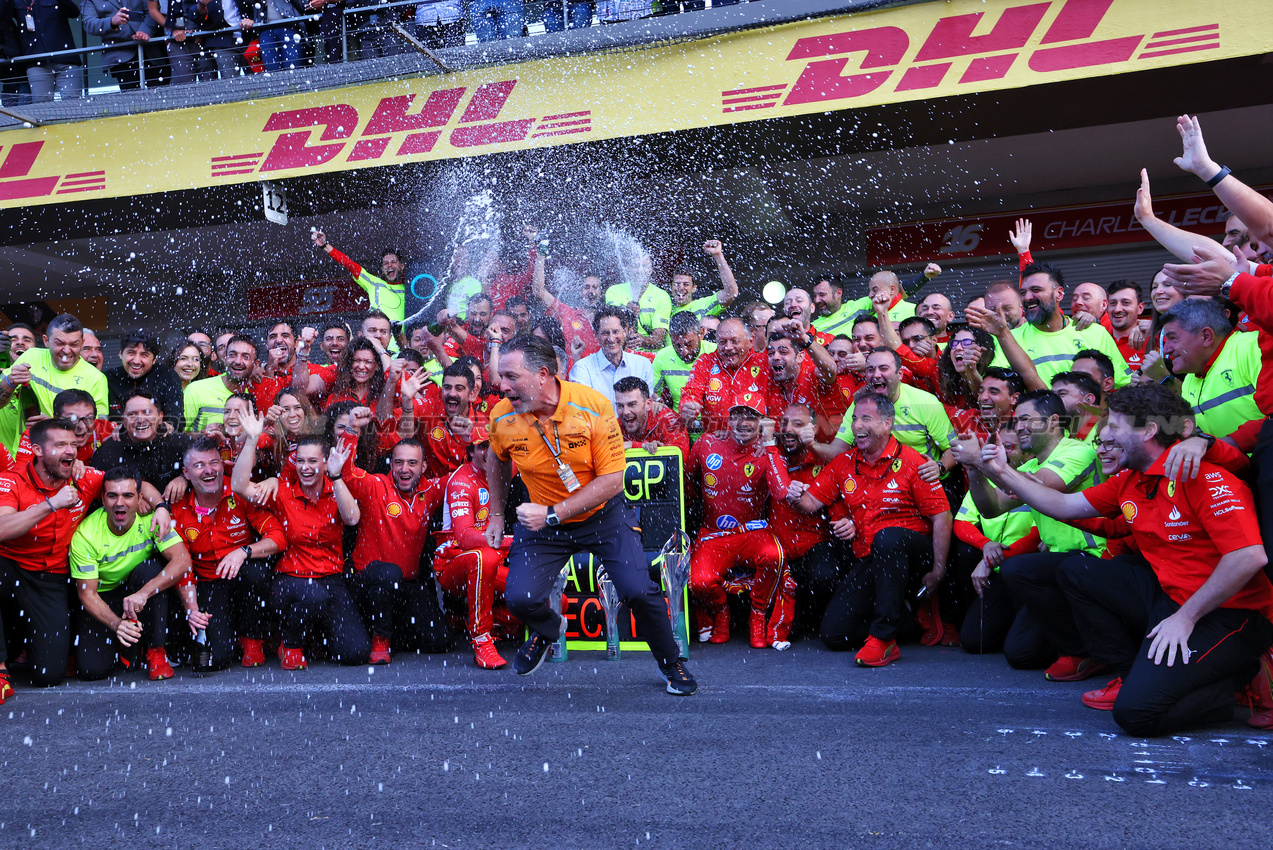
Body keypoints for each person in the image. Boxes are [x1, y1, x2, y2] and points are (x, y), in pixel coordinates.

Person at [982, 384, 1273, 735]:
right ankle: (1130, 671)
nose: (1109, 437)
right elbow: (1061, 504)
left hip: (1230, 613)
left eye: (1117, 427)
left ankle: (1243, 677)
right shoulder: (1129, 481)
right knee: (1079, 570)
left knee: (1136, 715)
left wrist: (1185, 618)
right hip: (1173, 600)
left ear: (1148, 431)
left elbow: (1248, 557)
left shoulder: (1202, 475)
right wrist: (1001, 470)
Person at [484, 334, 696, 694]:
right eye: (501, 377)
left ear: (543, 375)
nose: (501, 386)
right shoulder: (503, 414)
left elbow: (613, 481)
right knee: (520, 598)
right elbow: (497, 459)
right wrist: (496, 513)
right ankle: (547, 628)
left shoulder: (594, 406)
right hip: (544, 524)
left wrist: (552, 513)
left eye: (511, 377)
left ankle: (670, 662)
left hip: (602, 516)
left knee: (638, 592)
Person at [0, 419, 171, 695]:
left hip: (52, 578)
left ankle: (26, 648)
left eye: (73, 445)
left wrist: (161, 506)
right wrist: (50, 504)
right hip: (10, 567)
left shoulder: (83, 477)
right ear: (37, 450)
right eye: (59, 445)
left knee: (48, 675)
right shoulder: (12, 479)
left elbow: (130, 484)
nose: (70, 451)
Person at [792, 392, 952, 666]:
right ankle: (909, 615)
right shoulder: (844, 462)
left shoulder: (914, 462)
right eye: (854, 419)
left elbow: (942, 518)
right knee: (834, 635)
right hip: (869, 555)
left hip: (913, 556)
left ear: (887, 423)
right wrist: (793, 492)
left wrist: (937, 571)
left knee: (888, 538)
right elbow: (809, 504)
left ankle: (884, 639)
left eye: (866, 418)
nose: (857, 426)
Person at [957, 390, 1105, 678]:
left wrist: (994, 467)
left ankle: (1086, 652)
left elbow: (1044, 485)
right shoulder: (1029, 466)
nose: (1019, 426)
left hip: (1095, 559)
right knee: (1021, 655)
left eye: (1026, 419)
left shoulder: (1078, 451)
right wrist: (974, 469)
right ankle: (1083, 634)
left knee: (1017, 569)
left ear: (1052, 421)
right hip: (1057, 566)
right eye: (1017, 419)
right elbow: (991, 508)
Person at [232, 419, 370, 670]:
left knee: (355, 652)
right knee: (312, 595)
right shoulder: (282, 491)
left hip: (331, 579)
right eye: (301, 461)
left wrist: (337, 476)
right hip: (290, 580)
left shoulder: (336, 488)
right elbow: (239, 486)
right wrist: (252, 439)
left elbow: (352, 519)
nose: (306, 468)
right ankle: (291, 643)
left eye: (313, 461)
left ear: (325, 462)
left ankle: (316, 638)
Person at [685, 391, 791, 649]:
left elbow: (781, 492)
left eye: (751, 417)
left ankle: (757, 615)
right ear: (728, 420)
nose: (743, 423)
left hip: (752, 532)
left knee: (773, 555)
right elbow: (687, 485)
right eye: (737, 416)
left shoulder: (768, 451)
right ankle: (721, 613)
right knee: (698, 581)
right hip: (714, 533)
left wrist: (769, 445)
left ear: (763, 422)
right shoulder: (707, 443)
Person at [335, 434, 452, 664]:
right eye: (398, 462)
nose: (404, 469)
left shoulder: (431, 491)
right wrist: (351, 431)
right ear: (391, 464)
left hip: (406, 585)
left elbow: (464, 476)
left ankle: (390, 632)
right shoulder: (376, 485)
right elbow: (347, 473)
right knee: (389, 574)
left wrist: (476, 440)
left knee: (440, 641)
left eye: (412, 463)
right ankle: (380, 639)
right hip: (368, 583)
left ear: (423, 467)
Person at [170, 438, 283, 670]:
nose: (209, 470)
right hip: (207, 584)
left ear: (222, 465)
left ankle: (252, 638)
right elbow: (182, 567)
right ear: (186, 473)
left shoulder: (240, 491)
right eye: (199, 465)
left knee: (256, 572)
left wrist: (243, 551)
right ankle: (224, 639)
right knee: (215, 659)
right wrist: (192, 610)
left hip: (242, 576)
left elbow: (278, 537)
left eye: (214, 462)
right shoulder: (177, 508)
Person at [71, 467, 193, 681]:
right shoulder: (86, 534)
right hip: (104, 596)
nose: (120, 503)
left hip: (139, 588)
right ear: (102, 498)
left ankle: (156, 650)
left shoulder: (152, 519)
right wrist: (118, 624)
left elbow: (182, 561)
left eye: (128, 495)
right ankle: (126, 643)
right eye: (112, 496)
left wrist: (143, 593)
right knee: (92, 670)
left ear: (140, 498)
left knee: (152, 569)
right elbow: (86, 595)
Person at [973, 263, 1131, 389]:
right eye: (1023, 293)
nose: (1028, 297)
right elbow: (998, 391)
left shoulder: (1095, 333)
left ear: (1059, 294)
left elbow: (1122, 384)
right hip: (1040, 428)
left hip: (1092, 428)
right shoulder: (1009, 339)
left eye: (1036, 290)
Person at [436, 427, 514, 669]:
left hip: (492, 560)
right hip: (454, 564)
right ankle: (481, 640)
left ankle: (466, 621)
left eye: (494, 444)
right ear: (470, 451)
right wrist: (515, 541)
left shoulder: (506, 467)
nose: (489, 451)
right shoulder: (461, 481)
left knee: (554, 603)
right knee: (485, 557)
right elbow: (466, 537)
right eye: (482, 446)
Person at [770, 402, 847, 641]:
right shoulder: (771, 458)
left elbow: (838, 501)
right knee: (786, 634)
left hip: (815, 548)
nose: (788, 429)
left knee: (825, 576)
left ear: (813, 429)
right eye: (784, 423)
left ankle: (817, 610)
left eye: (798, 424)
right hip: (780, 552)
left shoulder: (823, 460)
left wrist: (845, 520)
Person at [1160, 298, 1262, 442]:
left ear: (1206, 336)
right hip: (1234, 462)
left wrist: (1231, 444)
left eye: (1173, 338)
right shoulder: (1190, 377)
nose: (1166, 349)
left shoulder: (1253, 349)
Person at [0, 313, 108, 418]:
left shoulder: (96, 378)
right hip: (26, 437)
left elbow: (98, 430)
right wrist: (10, 381)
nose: (66, 351)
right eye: (59, 343)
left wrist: (52, 427)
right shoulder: (31, 357)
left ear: (81, 343)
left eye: (73, 344)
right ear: (46, 341)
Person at [679, 317, 768, 435]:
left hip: (754, 447)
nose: (728, 347)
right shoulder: (706, 362)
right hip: (716, 444)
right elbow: (691, 393)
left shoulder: (764, 363)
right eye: (722, 342)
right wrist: (688, 406)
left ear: (751, 340)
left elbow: (776, 409)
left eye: (735, 341)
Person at [90, 392, 190, 496]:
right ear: (123, 421)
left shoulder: (179, 443)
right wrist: (132, 497)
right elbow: (97, 494)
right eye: (132, 414)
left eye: (147, 412)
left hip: (177, 509)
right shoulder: (108, 451)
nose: (140, 420)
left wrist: (185, 478)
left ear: (160, 417)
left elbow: (205, 470)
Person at [183, 335, 287, 432]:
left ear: (255, 364)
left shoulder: (258, 393)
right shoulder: (197, 389)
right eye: (232, 355)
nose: (238, 361)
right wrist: (203, 436)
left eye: (245, 357)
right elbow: (177, 434)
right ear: (225, 358)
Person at [398, 362, 479, 478]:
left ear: (471, 394)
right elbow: (404, 435)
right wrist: (407, 400)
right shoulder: (429, 407)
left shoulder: (482, 423)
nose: (452, 393)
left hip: (466, 490)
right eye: (447, 387)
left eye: (459, 389)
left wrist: (470, 438)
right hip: (431, 490)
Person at [568, 306, 654, 414]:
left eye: (615, 332)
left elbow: (646, 410)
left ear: (625, 331)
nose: (611, 338)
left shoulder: (643, 365)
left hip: (633, 430)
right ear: (595, 334)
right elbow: (582, 413)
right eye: (605, 333)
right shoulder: (582, 368)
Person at [311, 230, 407, 326]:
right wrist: (324, 245)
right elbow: (349, 264)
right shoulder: (374, 283)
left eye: (393, 262)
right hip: (377, 340)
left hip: (403, 341)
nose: (389, 265)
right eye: (385, 263)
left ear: (402, 266)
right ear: (382, 269)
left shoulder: (409, 290)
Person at [106, 331, 184, 432]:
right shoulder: (109, 378)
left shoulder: (167, 376)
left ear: (154, 359)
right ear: (121, 354)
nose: (136, 361)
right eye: (131, 353)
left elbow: (175, 420)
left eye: (144, 355)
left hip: (157, 440)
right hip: (117, 440)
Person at [80, 0, 161, 89]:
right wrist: (111, 22)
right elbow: (89, 24)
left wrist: (145, 31)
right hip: (120, 56)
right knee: (131, 99)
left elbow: (152, 10)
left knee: (161, 95)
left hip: (151, 51)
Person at [15, 0, 83, 102]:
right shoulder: (16, 2)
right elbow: (4, 19)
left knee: (74, 105)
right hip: (36, 61)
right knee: (43, 110)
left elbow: (74, 13)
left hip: (65, 58)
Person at [603, 251, 672, 351]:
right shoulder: (613, 291)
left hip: (650, 357)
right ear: (628, 268)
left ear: (651, 269)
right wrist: (625, 312)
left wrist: (642, 340)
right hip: (622, 354)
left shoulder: (662, 296)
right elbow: (611, 328)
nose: (640, 270)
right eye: (636, 265)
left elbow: (658, 340)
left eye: (645, 266)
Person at [652, 311, 716, 410]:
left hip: (712, 420)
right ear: (670, 336)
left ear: (701, 333)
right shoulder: (663, 356)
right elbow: (651, 392)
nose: (684, 352)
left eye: (689, 344)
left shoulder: (715, 352)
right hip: (680, 421)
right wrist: (656, 401)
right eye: (677, 345)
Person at [613, 377, 688, 457]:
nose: (626, 412)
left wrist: (634, 446)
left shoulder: (667, 419)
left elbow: (681, 454)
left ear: (648, 404)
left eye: (632, 404)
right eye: (620, 406)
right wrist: (643, 447)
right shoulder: (614, 426)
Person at [668, 240, 739, 322]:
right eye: (677, 284)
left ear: (694, 288)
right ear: (671, 287)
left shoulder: (703, 305)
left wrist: (717, 255)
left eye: (686, 284)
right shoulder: (664, 307)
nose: (681, 288)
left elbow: (731, 293)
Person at [1103, 280, 1148, 370]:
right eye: (1113, 303)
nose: (1117, 309)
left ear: (1140, 308)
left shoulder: (1152, 339)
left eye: (1126, 303)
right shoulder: (1099, 336)